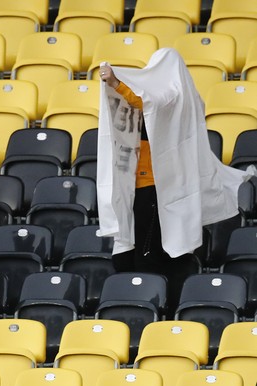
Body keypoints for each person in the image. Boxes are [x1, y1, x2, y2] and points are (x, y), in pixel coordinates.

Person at [97, 50, 254, 307]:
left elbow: (149, 102)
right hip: (139, 187)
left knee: (151, 254)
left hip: (156, 190)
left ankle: (159, 305)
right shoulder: (182, 98)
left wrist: (116, 83)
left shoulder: (173, 96)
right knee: (137, 252)